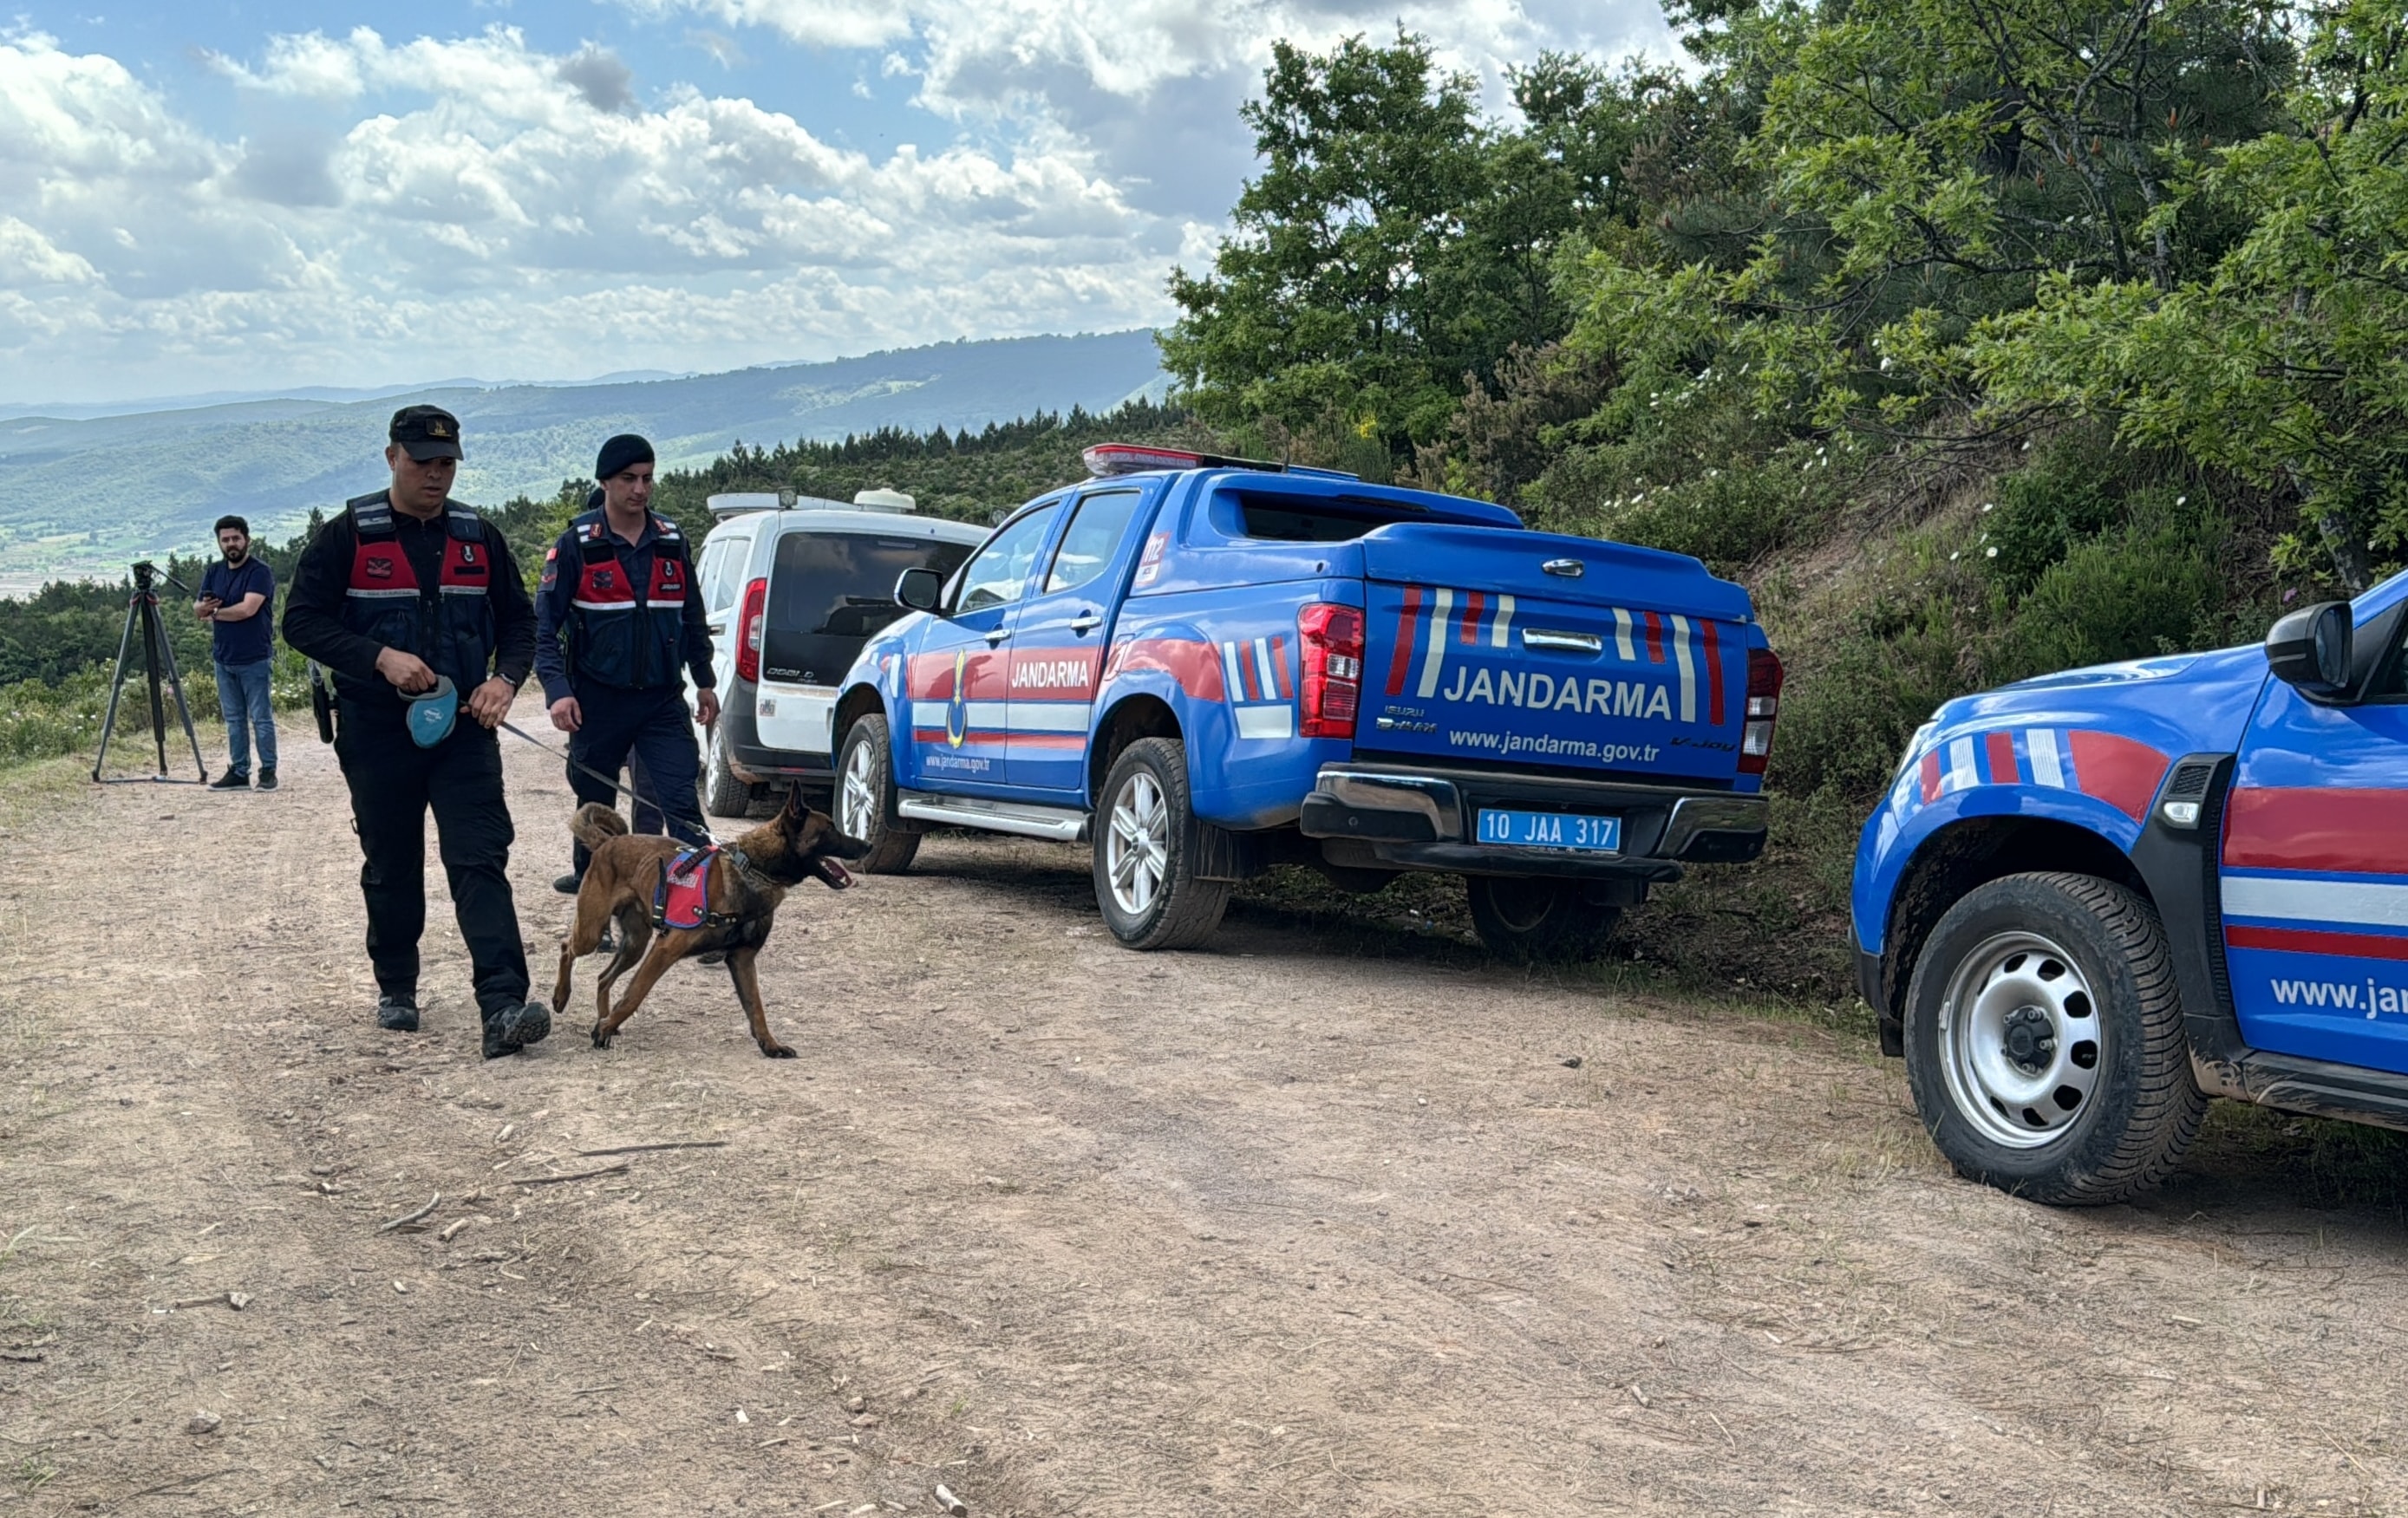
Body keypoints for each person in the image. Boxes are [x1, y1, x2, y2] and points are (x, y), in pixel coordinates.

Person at [281, 405, 552, 1059]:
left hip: (463, 729)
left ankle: (503, 1004)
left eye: (447, 464)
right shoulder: (346, 535)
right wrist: (378, 657)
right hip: (378, 730)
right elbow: (301, 622)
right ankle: (397, 984)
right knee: (392, 861)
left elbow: (521, 623)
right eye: (423, 462)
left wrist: (505, 681)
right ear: (391, 458)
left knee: (479, 860)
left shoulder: (479, 535)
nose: (437, 475)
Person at [533, 433, 719, 894]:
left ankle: (699, 907)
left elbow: (693, 618)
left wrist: (705, 681)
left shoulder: (671, 541)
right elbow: (542, 631)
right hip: (597, 700)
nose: (639, 489)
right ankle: (591, 892)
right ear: (606, 482)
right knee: (595, 804)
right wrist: (558, 692)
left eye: (647, 479)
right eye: (628, 479)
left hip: (661, 701)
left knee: (681, 804)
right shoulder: (576, 544)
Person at [195, 515, 279, 792]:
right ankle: (239, 771)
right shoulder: (214, 571)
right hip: (224, 657)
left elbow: (248, 609)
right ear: (219, 542)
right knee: (233, 720)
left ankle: (268, 771)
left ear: (247, 539)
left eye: (236, 538)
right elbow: (199, 607)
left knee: (261, 718)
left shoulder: (260, 572)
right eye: (225, 539)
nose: (231, 543)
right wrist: (202, 610)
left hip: (254, 656)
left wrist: (215, 613)